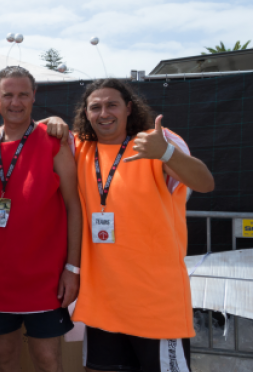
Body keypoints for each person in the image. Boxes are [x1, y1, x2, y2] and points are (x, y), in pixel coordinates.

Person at [65, 79, 213, 372]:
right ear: (86, 113)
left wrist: (167, 153)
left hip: (155, 305)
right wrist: (53, 121)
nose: (104, 113)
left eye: (112, 105)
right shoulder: (79, 148)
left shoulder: (155, 142)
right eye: (95, 107)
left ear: (129, 109)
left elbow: (205, 183)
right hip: (102, 304)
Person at [0, 66, 81, 372]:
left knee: (47, 359)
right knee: (4, 357)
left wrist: (73, 268)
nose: (15, 102)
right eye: (8, 95)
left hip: (45, 280)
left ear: (34, 96)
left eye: (23, 94)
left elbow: (74, 206)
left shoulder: (53, 141)